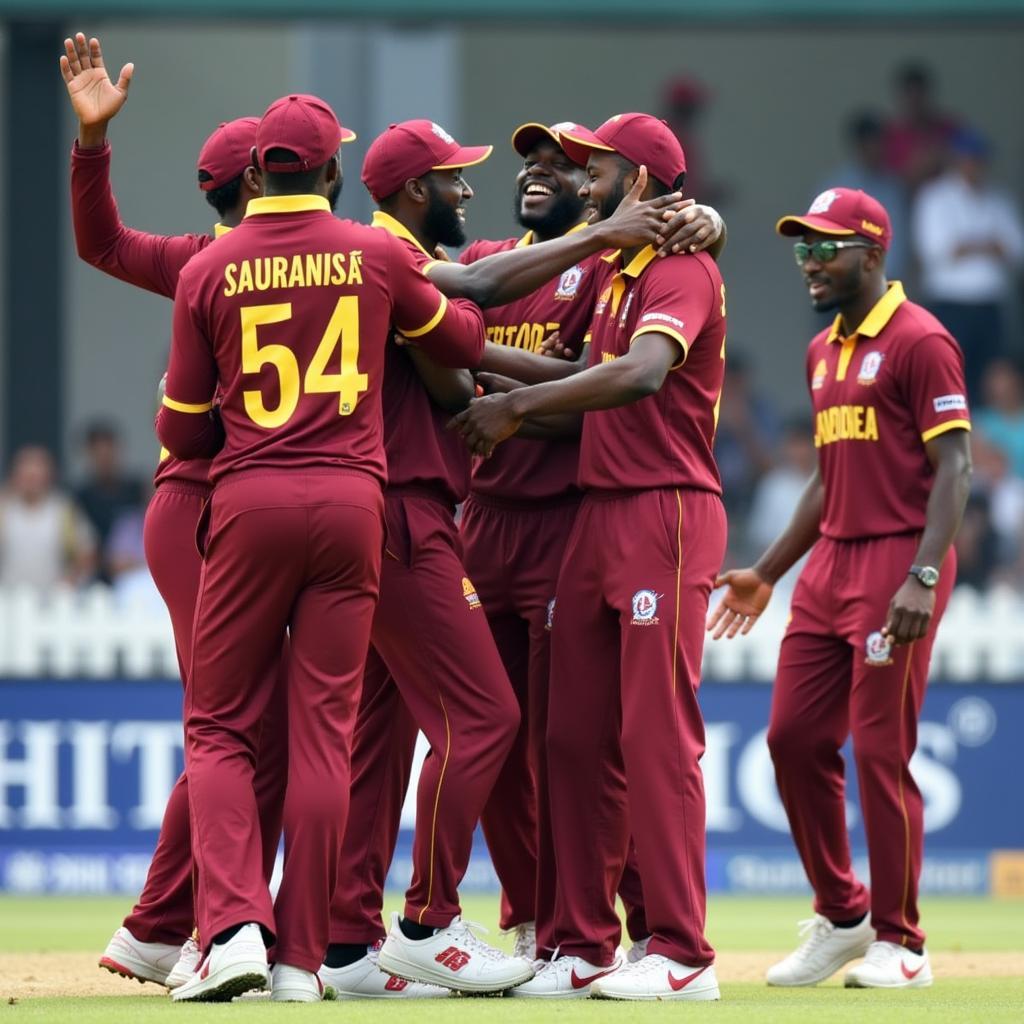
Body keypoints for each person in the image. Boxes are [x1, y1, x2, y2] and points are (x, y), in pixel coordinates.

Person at [327, 118, 714, 997]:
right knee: (494, 735)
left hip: (568, 516)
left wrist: (504, 399)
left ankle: (640, 929)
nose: (540, 172)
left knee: (570, 738)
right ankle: (537, 927)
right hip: (478, 520)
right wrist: (480, 379)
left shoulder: (609, 271)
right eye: (529, 162)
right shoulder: (504, 260)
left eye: (570, 165)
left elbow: (618, 377)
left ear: (612, 186)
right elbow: (475, 293)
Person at [156, 93, 487, 1003]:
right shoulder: (376, 251)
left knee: (221, 727)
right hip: (356, 505)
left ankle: (231, 934)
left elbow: (183, 435)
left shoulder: (209, 270)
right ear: (333, 176)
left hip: (253, 501)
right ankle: (303, 961)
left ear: (258, 174)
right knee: (325, 736)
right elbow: (459, 340)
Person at [452, 112, 727, 1002]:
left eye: (598, 168)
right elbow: (559, 366)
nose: (583, 181)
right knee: (568, 739)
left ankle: (682, 953)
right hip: (598, 519)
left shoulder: (682, 267)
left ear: (639, 182)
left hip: (665, 511)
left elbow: (643, 375)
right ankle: (579, 944)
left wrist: (513, 410)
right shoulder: (612, 273)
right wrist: (474, 364)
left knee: (654, 735)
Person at [61, 31, 288, 993]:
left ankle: (159, 925)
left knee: (241, 723)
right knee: (234, 723)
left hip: (220, 514)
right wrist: (92, 147)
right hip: (199, 509)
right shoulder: (208, 261)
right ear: (262, 180)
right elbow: (101, 242)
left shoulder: (212, 260)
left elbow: (105, 244)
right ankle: (183, 928)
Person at [708, 187, 972, 989]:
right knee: (791, 738)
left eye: (826, 248)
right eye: (802, 249)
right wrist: (766, 571)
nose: (810, 263)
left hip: (898, 560)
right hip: (829, 566)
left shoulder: (921, 339)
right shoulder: (824, 349)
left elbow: (954, 467)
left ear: (873, 252)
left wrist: (923, 575)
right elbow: (830, 477)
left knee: (881, 753)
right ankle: (844, 913)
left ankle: (904, 944)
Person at [912, 129, 1024, 400]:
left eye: (979, 158)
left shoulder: (998, 200)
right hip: (951, 302)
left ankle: (987, 438)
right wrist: (989, 245)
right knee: (950, 374)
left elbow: (1017, 249)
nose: (974, 164)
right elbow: (936, 250)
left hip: (989, 303)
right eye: (969, 157)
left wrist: (968, 245)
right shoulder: (935, 197)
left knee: (993, 376)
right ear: (956, 159)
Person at [824, 112, 908, 281]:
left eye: (882, 144)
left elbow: (897, 239)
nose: (879, 149)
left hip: (883, 283)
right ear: (860, 145)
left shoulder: (892, 187)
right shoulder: (836, 189)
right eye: (873, 143)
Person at [0, 445, 96, 589]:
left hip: (54, 600)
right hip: (7, 598)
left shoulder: (64, 510)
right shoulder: (4, 508)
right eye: (26, 473)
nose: (31, 479)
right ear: (15, 474)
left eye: (37, 473)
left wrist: (70, 581)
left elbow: (87, 553)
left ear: (49, 475)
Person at [74, 420, 145, 582]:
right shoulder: (80, 496)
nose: (104, 460)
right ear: (89, 455)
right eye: (99, 455)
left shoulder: (135, 491)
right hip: (92, 577)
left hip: (131, 576)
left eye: (108, 453)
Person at [882, 62, 960, 191]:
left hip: (948, 202)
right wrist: (921, 166)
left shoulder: (948, 128)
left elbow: (967, 167)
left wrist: (942, 157)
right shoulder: (891, 135)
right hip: (905, 205)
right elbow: (890, 184)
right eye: (911, 97)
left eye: (919, 97)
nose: (915, 104)